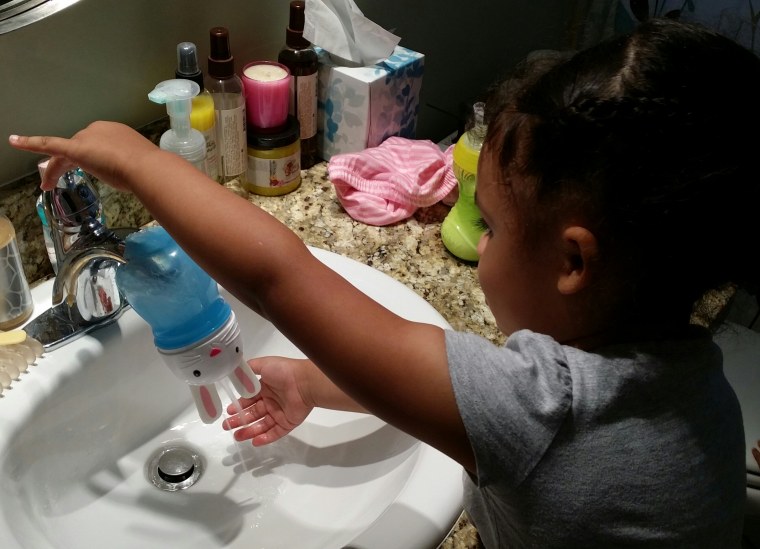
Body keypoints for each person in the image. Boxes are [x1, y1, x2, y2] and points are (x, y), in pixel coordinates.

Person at [9, 17, 760, 548]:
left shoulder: (547, 412)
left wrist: (134, 158)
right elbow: (449, 368)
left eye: (490, 225)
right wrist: (313, 382)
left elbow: (276, 276)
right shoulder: (695, 379)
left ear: (573, 264)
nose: (470, 236)